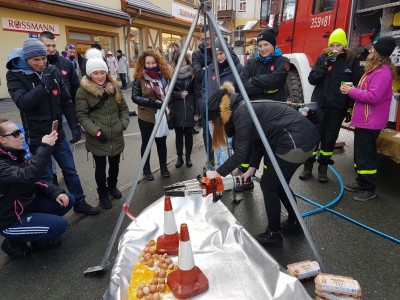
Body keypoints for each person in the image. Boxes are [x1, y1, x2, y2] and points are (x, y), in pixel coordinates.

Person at [205, 82, 319, 248]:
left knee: (269, 185)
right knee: (279, 184)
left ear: (220, 115)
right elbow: (258, 139)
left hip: (295, 142)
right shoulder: (241, 108)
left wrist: (218, 173)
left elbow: (240, 153)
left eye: (212, 121)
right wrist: (252, 166)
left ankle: (274, 234)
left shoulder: (241, 113)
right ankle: (295, 222)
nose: (212, 125)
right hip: (303, 138)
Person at [6, 38, 99, 215]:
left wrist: (73, 125)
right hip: (37, 137)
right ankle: (52, 211)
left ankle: (80, 202)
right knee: (46, 176)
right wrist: (44, 84)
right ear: (26, 59)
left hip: (58, 133)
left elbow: (65, 100)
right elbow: (24, 103)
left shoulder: (52, 70)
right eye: (36, 60)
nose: (41, 63)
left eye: (44, 58)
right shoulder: (15, 75)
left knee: (71, 171)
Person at [0, 119, 74, 259]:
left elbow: (35, 180)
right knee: (59, 226)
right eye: (16, 134)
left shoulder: (13, 153)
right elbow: (29, 175)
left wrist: (55, 192)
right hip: (10, 219)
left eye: (20, 132)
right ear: (2, 139)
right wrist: (45, 146)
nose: (21, 136)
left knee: (67, 199)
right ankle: (12, 242)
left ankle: (38, 239)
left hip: (25, 204)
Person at [301, 28, 361, 183]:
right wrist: (325, 64)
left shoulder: (351, 60)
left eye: (338, 45)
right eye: (332, 45)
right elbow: (312, 79)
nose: (335, 49)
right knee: (313, 137)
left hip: (337, 107)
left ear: (344, 46)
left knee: (329, 139)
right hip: (320, 105)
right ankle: (307, 166)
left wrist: (350, 106)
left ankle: (323, 168)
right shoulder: (323, 58)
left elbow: (356, 84)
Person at [341, 36, 396, 201]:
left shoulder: (382, 72)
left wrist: (351, 92)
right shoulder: (376, 70)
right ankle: (362, 182)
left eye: (373, 49)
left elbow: (373, 97)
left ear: (379, 53)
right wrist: (355, 89)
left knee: (366, 155)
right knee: (360, 154)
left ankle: (369, 188)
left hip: (370, 122)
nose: (370, 51)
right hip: (366, 120)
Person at [75, 49, 130, 209]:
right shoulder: (82, 92)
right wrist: (96, 131)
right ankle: (103, 193)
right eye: (95, 73)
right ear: (89, 74)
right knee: (100, 167)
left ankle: (112, 186)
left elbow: (124, 109)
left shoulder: (114, 87)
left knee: (115, 164)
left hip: (116, 135)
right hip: (98, 138)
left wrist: (122, 125)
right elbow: (82, 115)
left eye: (102, 72)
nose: (99, 76)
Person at [238, 28, 290, 191]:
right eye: (259, 45)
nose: (262, 48)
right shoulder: (252, 62)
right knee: (251, 145)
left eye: (266, 44)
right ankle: (247, 178)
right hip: (254, 112)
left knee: (271, 149)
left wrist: (254, 81)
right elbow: (241, 85)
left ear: (273, 45)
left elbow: (277, 81)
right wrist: (265, 87)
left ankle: (270, 183)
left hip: (275, 114)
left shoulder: (283, 61)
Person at [39, 31, 81, 185]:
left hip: (64, 112)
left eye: (53, 45)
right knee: (48, 147)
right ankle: (53, 176)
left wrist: (75, 114)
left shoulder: (66, 63)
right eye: (47, 46)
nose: (51, 49)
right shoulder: (36, 64)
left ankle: (67, 172)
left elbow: (75, 87)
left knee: (67, 146)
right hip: (44, 115)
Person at [201, 38, 243, 167]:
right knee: (217, 144)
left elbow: (242, 92)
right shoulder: (209, 69)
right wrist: (204, 105)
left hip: (228, 115)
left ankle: (226, 173)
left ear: (228, 52)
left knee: (228, 145)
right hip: (212, 114)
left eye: (221, 53)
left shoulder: (238, 69)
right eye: (216, 54)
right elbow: (203, 89)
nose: (218, 57)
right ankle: (218, 169)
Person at [132, 50, 172, 180]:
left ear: (158, 62)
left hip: (162, 115)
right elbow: (135, 97)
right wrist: (151, 102)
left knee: (161, 142)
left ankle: (163, 167)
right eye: (147, 63)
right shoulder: (139, 78)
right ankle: (146, 169)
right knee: (147, 143)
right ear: (143, 64)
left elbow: (170, 93)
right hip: (146, 116)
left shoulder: (164, 77)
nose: (150, 65)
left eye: (153, 62)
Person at [192, 25, 215, 165]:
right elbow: (199, 73)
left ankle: (227, 160)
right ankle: (210, 159)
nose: (204, 42)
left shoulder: (221, 49)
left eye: (207, 38)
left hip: (220, 92)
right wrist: (214, 66)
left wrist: (206, 68)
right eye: (202, 39)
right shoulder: (197, 54)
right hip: (203, 94)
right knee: (207, 130)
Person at [170, 52, 195, 168]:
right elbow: (168, 93)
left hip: (189, 106)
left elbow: (196, 92)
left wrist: (196, 111)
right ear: (175, 62)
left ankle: (188, 157)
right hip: (177, 107)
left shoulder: (192, 73)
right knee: (178, 134)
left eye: (184, 60)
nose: (182, 62)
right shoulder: (171, 75)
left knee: (189, 134)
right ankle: (179, 158)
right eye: (179, 60)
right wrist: (179, 94)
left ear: (187, 61)